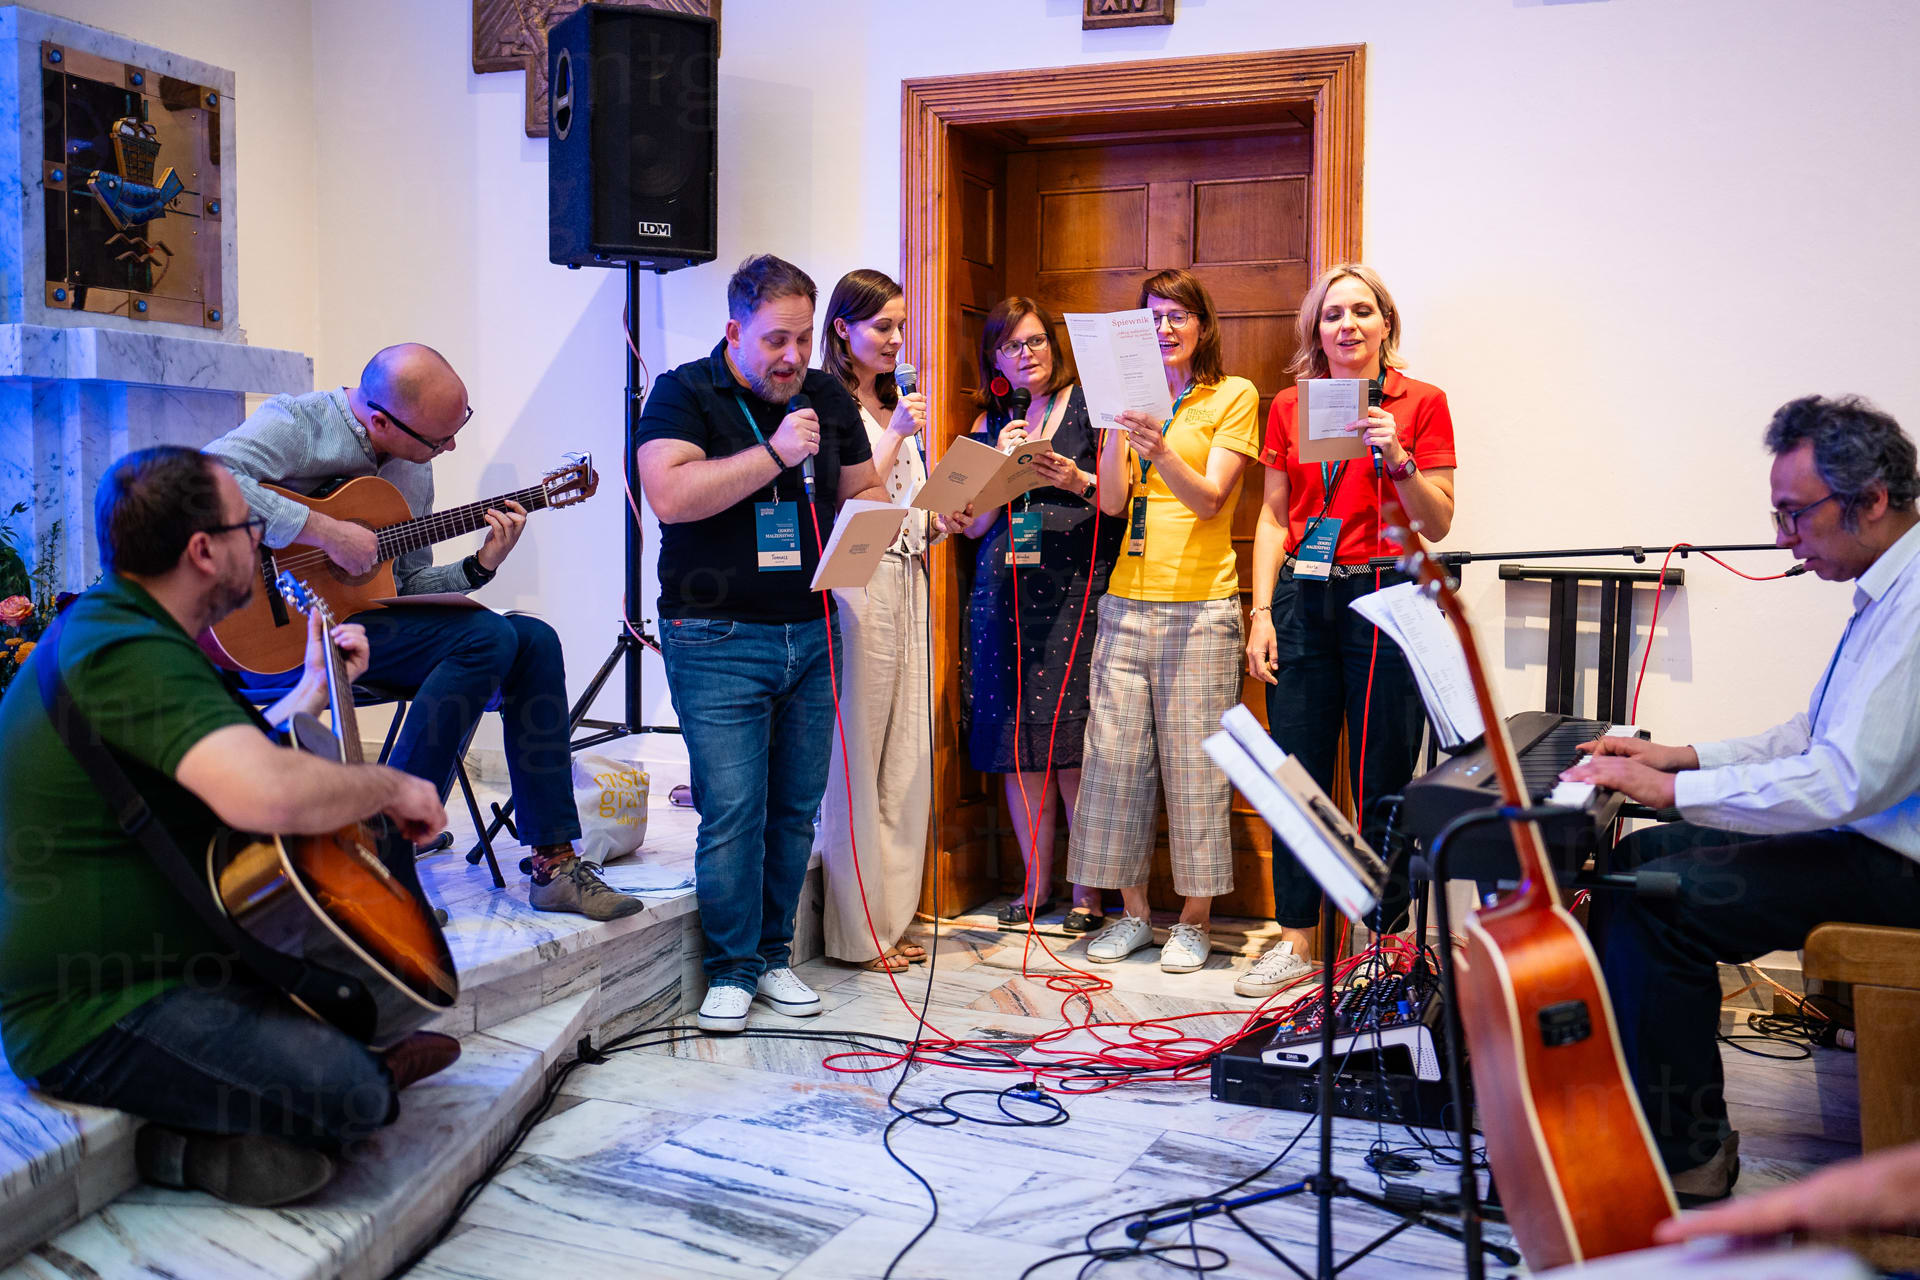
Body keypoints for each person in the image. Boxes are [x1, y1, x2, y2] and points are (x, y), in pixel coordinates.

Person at [0, 446, 458, 1206]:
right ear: (204, 551)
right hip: (89, 1011)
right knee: (347, 1091)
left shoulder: (134, 631)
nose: (263, 544)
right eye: (251, 527)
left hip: (181, 960)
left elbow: (230, 761)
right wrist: (393, 784)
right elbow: (264, 795)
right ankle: (177, 1152)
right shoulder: (120, 649)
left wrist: (314, 689)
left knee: (364, 992)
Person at [1563, 393, 1920, 1201]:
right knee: (1639, 861)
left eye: (1796, 514)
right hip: (1872, 840)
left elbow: (1844, 780)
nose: (1784, 537)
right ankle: (1648, 1116)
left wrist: (1675, 788)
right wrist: (1682, 757)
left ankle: (1684, 1156)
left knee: (1657, 900)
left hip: (1900, 866)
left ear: (1869, 500)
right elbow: (1811, 734)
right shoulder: (1888, 589)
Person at [634, 255, 964, 1034]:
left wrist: (875, 536)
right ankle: (730, 969)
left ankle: (774, 955)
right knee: (733, 810)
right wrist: (777, 453)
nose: (791, 356)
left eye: (802, 339)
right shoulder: (684, 392)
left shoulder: (823, 394)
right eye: (774, 340)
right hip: (715, 634)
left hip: (813, 630)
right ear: (734, 332)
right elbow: (671, 496)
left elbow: (863, 490)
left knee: (791, 812)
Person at [205, 343, 636, 922]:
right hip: (274, 631)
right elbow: (208, 478)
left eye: (457, 431)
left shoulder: (412, 465)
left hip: (363, 625)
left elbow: (403, 582)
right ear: (380, 420)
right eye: (438, 440)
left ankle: (553, 865)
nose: (449, 448)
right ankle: (384, 857)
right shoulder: (296, 422)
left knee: (533, 639)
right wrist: (325, 531)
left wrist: (479, 566)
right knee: (487, 638)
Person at [1240, 263, 1458, 999]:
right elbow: (1273, 517)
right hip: (1305, 596)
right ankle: (1297, 939)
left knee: (1382, 776)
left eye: (1362, 311)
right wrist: (1261, 612)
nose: (1347, 325)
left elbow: (1437, 522)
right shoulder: (1289, 406)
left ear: (1385, 324)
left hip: (1386, 593)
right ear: (1317, 330)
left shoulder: (1421, 402)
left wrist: (1396, 455)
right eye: (1333, 314)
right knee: (1296, 773)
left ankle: (1384, 942)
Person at [1066, 269, 1260, 974]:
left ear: (1202, 326)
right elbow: (1114, 504)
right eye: (1152, 318)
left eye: (1177, 316)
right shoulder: (1130, 403)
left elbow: (1209, 500)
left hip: (1203, 606)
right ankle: (1134, 916)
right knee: (1114, 761)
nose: (1165, 329)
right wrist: (1114, 431)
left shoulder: (1232, 395)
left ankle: (1194, 923)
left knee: (1195, 768)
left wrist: (1162, 447)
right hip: (1126, 600)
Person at [961, 297, 1119, 933]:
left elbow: (1115, 501)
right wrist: (996, 467)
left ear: (1054, 345)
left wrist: (1072, 474)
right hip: (1002, 596)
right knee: (1018, 746)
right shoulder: (987, 421)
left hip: (1075, 587)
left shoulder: (1089, 406)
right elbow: (970, 525)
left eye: (1036, 341)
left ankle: (1087, 893)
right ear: (995, 359)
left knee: (1072, 744)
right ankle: (1034, 887)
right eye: (1012, 346)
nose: (1026, 355)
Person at [813, 269, 936, 972]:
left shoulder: (892, 402)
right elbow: (848, 495)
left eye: (900, 326)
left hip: (909, 573)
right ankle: (856, 935)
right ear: (842, 328)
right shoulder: (828, 401)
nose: (895, 339)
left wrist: (941, 514)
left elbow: (904, 497)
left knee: (904, 756)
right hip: (859, 579)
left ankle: (889, 920)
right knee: (857, 755)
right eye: (882, 326)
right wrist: (894, 434)